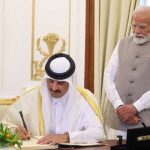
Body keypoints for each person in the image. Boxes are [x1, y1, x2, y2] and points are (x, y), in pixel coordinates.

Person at [2, 53, 105, 144]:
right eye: (50, 81)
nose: (54, 87)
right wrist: (14, 131)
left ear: (70, 83)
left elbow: (98, 133)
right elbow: (3, 124)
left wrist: (67, 137)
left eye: (60, 83)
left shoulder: (82, 100)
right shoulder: (31, 97)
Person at [104, 6, 150, 136]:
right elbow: (108, 77)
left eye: (142, 27)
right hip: (116, 122)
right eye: (133, 26)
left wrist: (135, 107)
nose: (136, 31)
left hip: (145, 123)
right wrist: (119, 107)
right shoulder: (122, 43)